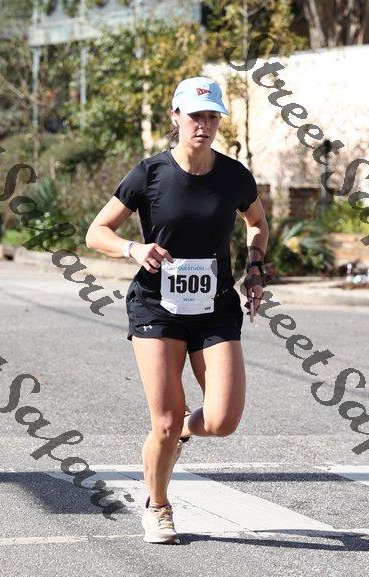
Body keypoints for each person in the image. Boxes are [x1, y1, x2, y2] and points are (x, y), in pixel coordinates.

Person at [85, 76, 269, 544]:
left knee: (223, 421)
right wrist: (133, 249)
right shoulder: (150, 174)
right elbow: (96, 232)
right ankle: (158, 505)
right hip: (157, 307)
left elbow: (257, 223)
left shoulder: (234, 176)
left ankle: (181, 430)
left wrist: (255, 266)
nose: (203, 125)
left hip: (215, 308)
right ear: (176, 117)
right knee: (163, 421)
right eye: (194, 116)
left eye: (211, 116)